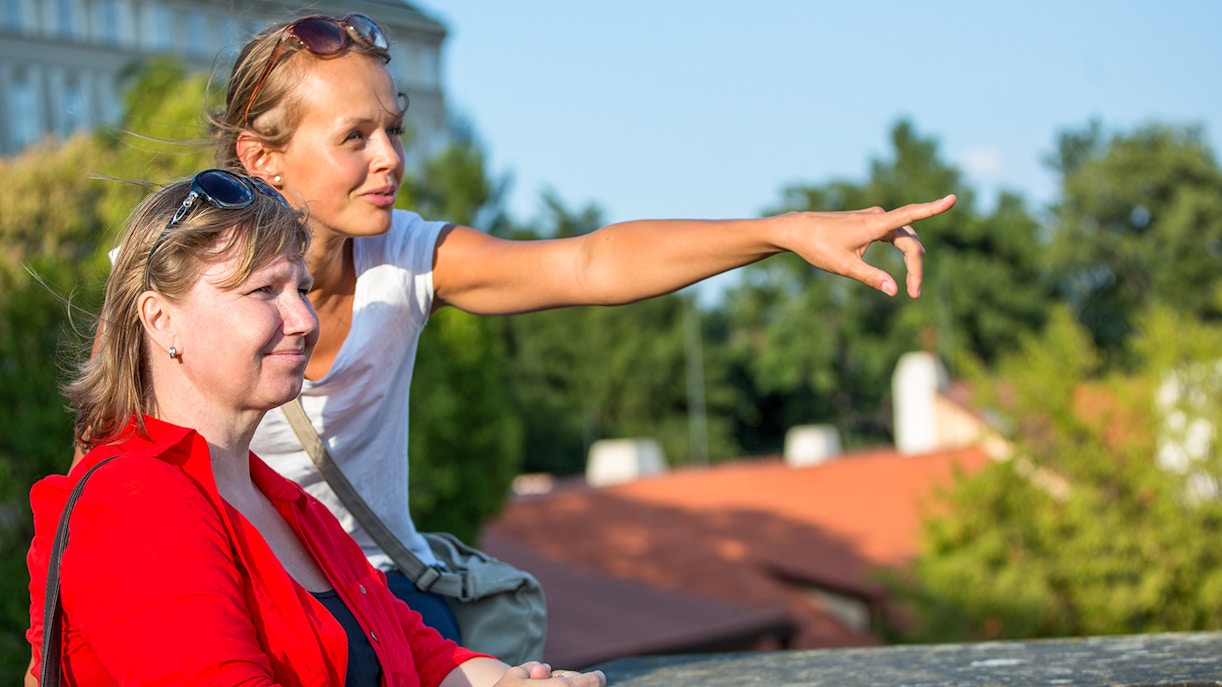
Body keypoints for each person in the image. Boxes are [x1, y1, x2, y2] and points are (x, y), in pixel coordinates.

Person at [209, 12, 957, 641]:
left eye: (394, 129)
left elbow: (590, 264)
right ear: (263, 158)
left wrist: (785, 232)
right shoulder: (178, 286)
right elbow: (133, 467)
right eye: (355, 137)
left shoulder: (404, 255)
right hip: (254, 613)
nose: (391, 158)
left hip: (388, 610)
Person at [26, 170, 604, 687]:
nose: (304, 320)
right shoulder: (134, 500)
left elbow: (417, 649)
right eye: (263, 291)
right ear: (160, 317)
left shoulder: (288, 505)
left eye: (301, 288)